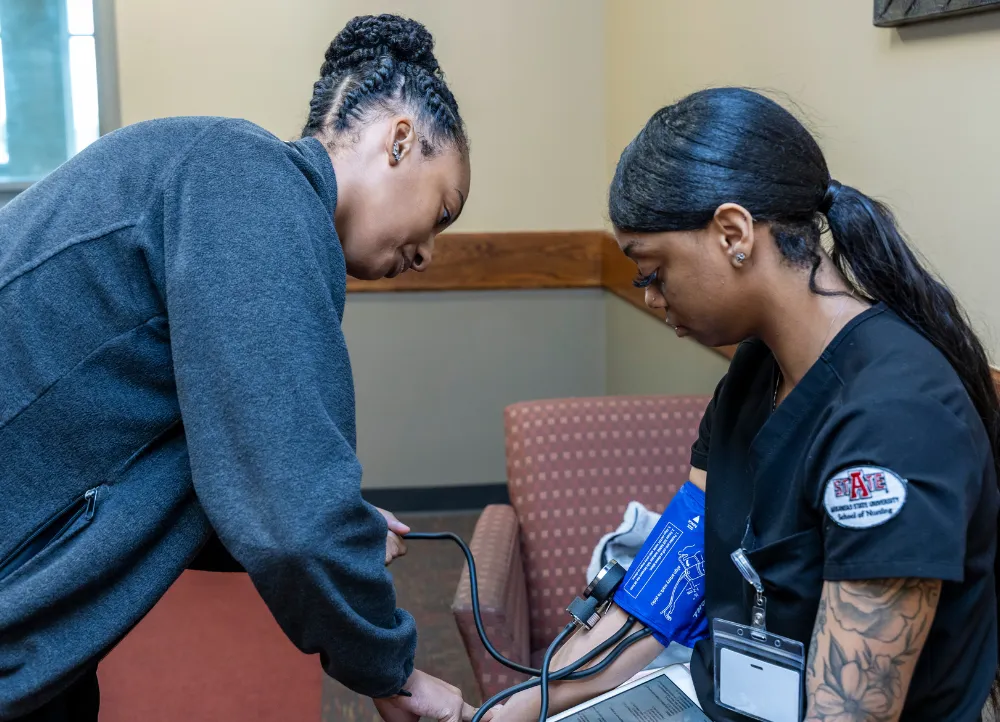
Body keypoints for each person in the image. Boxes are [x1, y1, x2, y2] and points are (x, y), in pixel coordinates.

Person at [0, 14, 482, 722]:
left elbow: (229, 482)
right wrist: (395, 675)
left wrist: (339, 524)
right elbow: (292, 519)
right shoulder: (247, 178)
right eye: (441, 213)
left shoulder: (237, 190)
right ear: (400, 141)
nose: (427, 254)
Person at [492, 87, 999, 721]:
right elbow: (669, 581)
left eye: (652, 273)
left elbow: (849, 711)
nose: (651, 298)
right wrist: (524, 703)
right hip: (727, 698)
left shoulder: (896, 417)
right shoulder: (756, 371)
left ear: (733, 232)